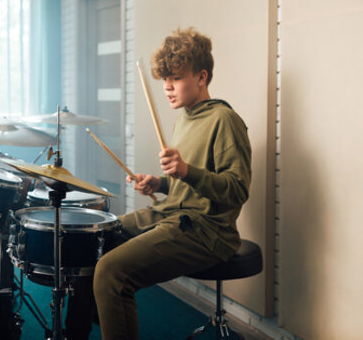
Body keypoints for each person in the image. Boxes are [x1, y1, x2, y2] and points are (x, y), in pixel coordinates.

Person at [66, 27, 252, 339]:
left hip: (207, 230)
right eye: (164, 80)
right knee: (92, 237)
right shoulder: (184, 120)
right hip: (171, 214)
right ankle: (77, 332)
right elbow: (186, 182)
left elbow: (237, 190)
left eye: (175, 78)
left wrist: (186, 172)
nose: (167, 87)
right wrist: (160, 183)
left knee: (112, 271)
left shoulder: (224, 120)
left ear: (202, 77)